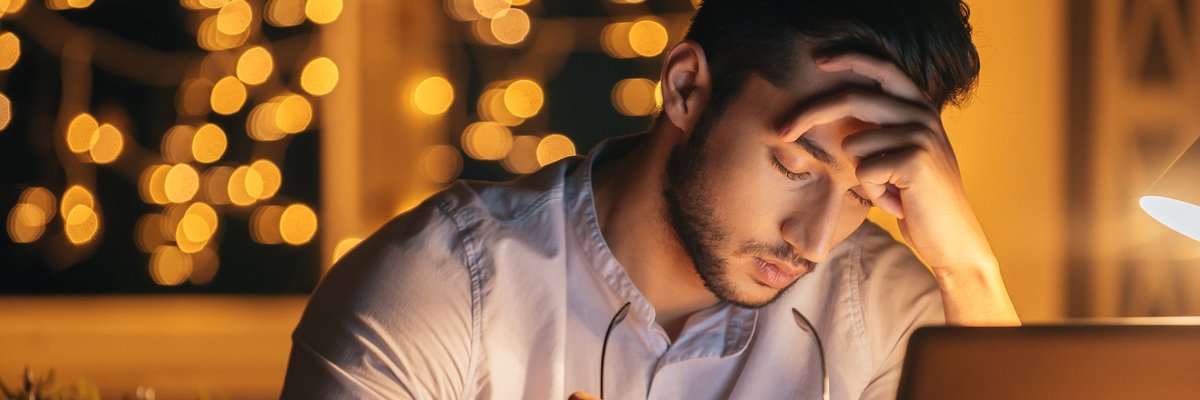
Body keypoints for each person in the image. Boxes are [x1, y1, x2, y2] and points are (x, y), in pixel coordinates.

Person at [280, 0, 1021, 398]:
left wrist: (969, 269)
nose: (816, 240)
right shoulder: (438, 285)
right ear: (686, 87)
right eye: (795, 165)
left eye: (862, 194)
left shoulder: (891, 313)